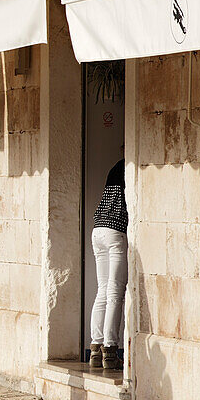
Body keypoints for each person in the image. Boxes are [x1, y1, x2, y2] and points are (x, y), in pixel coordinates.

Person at [89, 159, 127, 371]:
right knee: (115, 292)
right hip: (116, 230)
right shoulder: (127, 166)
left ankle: (95, 348)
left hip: (98, 229)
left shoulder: (113, 168)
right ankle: (110, 351)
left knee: (102, 290)